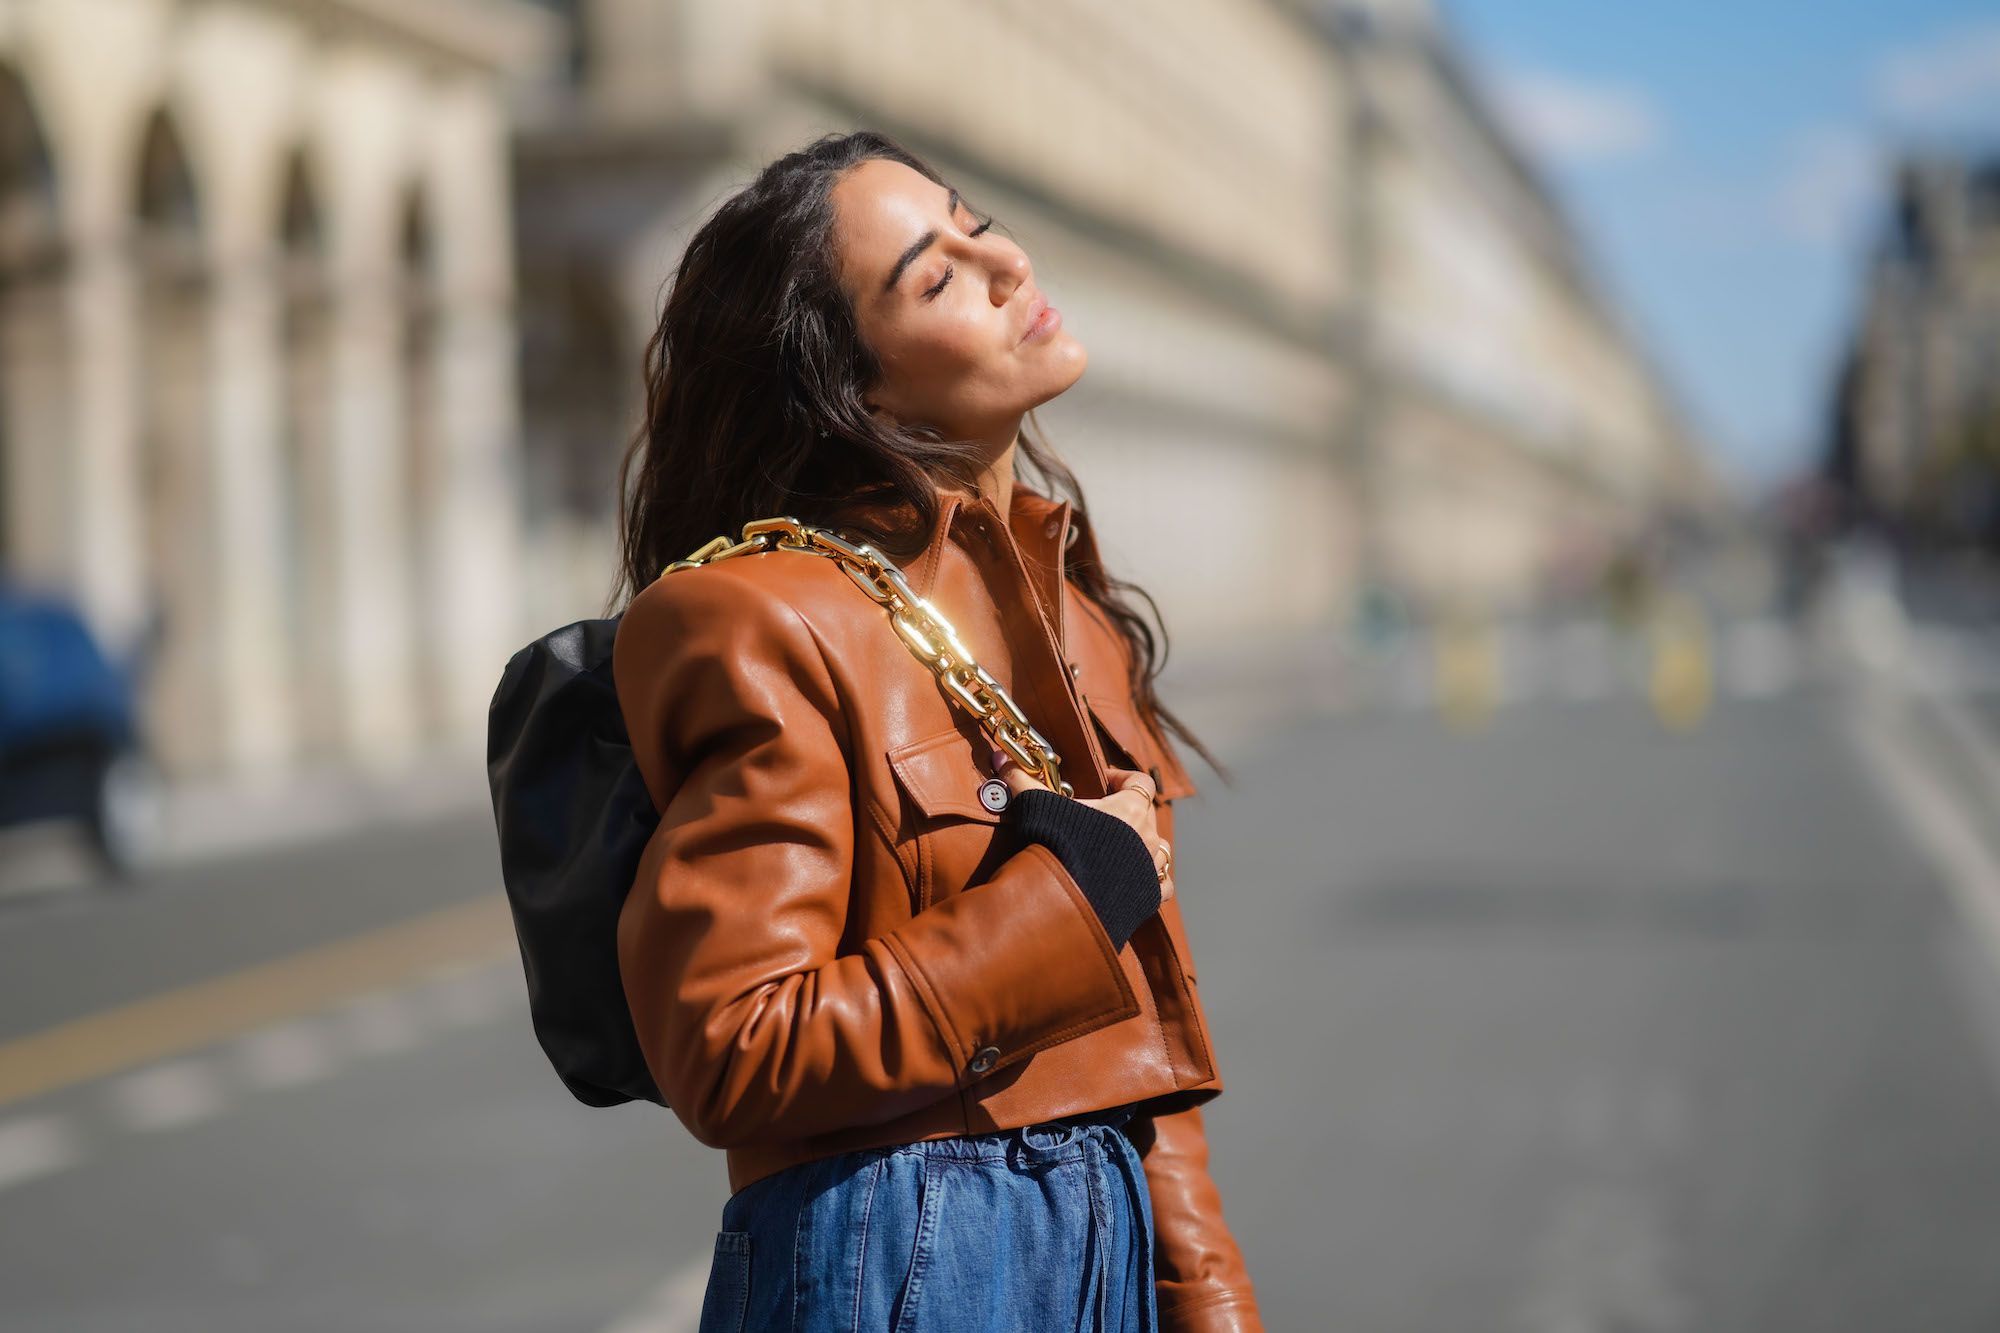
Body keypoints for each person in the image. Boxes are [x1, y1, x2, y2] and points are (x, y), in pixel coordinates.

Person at [607, 130, 1264, 1332]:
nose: (1006, 262)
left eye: (976, 223)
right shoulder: (759, 618)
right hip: (894, 1247)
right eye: (937, 275)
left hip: (1101, 1233)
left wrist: (1209, 1302)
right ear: (852, 387)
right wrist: (1063, 902)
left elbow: (1143, 1049)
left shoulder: (1069, 605)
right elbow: (731, 1046)